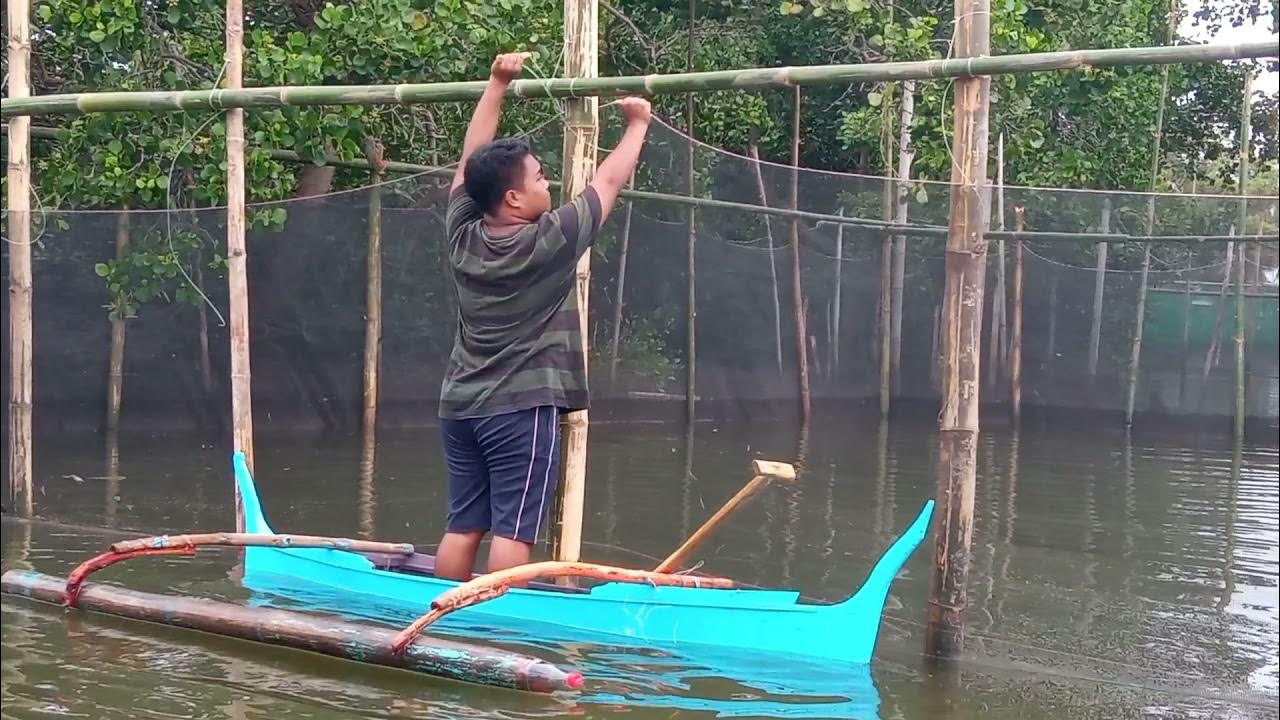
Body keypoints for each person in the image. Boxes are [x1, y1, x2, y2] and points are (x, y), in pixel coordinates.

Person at [434, 52, 652, 580]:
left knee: (464, 524)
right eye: (538, 178)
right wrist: (638, 124)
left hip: (460, 407)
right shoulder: (547, 240)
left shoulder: (463, 232)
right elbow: (608, 184)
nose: (547, 183)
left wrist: (496, 84)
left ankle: (444, 618)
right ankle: (502, 631)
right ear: (512, 197)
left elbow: (470, 164)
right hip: (519, 410)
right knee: (514, 530)